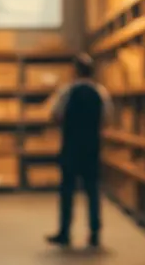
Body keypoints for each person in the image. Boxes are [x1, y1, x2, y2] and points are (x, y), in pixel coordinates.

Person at [45, 53, 111, 249]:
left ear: (75, 71)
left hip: (71, 148)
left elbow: (55, 115)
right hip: (92, 148)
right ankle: (94, 233)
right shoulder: (101, 92)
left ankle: (65, 232)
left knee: (67, 191)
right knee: (92, 191)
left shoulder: (66, 91)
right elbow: (107, 118)